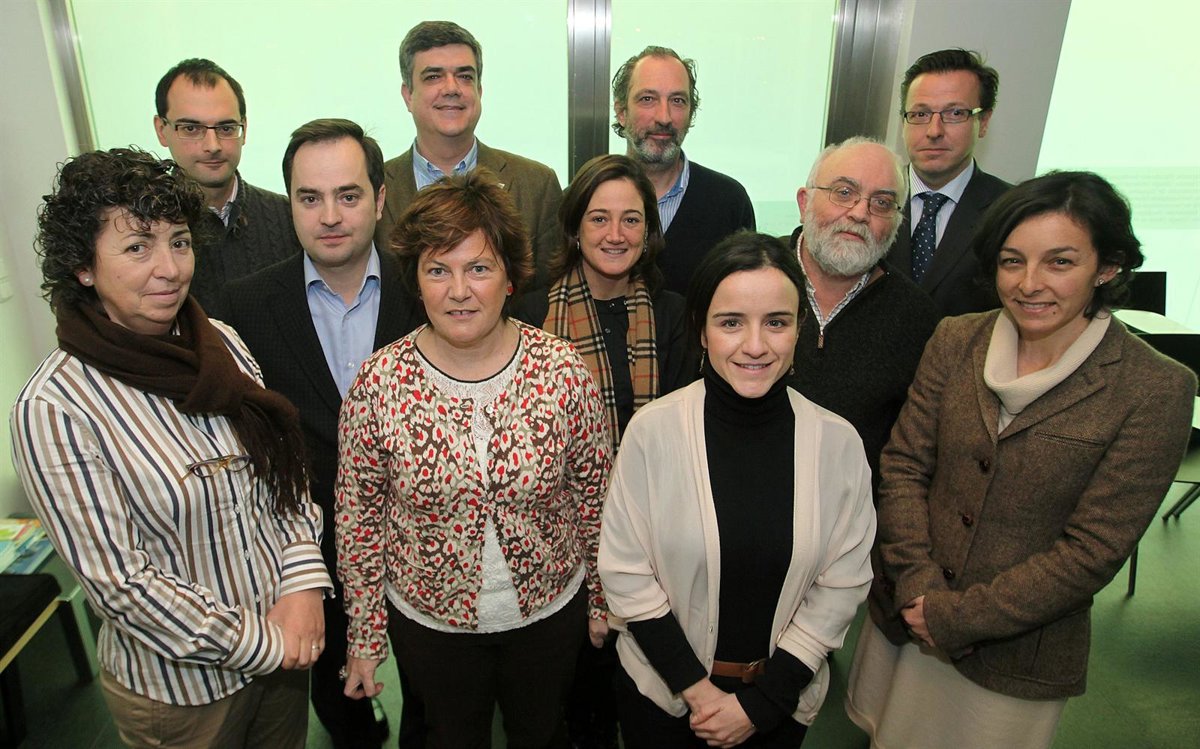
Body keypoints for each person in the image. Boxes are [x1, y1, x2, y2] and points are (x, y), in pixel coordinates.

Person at [847, 171, 1198, 749]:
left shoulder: (1154, 388)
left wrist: (955, 617)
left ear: (1108, 267)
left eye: (1060, 262)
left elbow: (1093, 549)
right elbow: (905, 465)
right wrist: (918, 587)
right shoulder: (956, 339)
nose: (1030, 284)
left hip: (1015, 652)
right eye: (1013, 262)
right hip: (905, 618)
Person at [10, 147, 332, 749]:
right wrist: (264, 644)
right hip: (183, 693)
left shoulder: (223, 344)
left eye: (179, 242)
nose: (170, 269)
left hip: (285, 655)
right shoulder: (55, 407)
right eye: (137, 247)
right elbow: (121, 582)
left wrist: (302, 582)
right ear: (83, 266)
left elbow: (282, 476)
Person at [336, 169, 612, 748]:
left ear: (510, 277)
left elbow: (596, 499)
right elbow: (358, 519)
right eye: (438, 270)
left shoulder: (562, 371)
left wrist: (601, 599)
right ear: (416, 281)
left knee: (543, 736)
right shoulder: (380, 382)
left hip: (548, 616)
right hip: (430, 625)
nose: (458, 290)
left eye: (479, 268)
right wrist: (364, 636)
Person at [599, 232, 876, 748]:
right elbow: (625, 572)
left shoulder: (838, 444)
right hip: (662, 699)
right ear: (702, 331)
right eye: (731, 323)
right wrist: (699, 693)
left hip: (779, 704)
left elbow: (842, 584)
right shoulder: (653, 432)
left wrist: (762, 704)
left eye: (776, 322)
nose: (755, 345)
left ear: (799, 328)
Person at [219, 119, 422, 749]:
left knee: (434, 692)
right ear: (290, 204)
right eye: (310, 198)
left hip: (428, 532)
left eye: (348, 195)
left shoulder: (430, 286)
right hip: (313, 541)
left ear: (380, 199)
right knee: (337, 689)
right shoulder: (244, 306)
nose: (330, 215)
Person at [514, 153, 693, 748]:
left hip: (651, 535)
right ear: (574, 228)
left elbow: (681, 434)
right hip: (560, 543)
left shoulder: (673, 315)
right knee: (576, 703)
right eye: (599, 218)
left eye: (631, 219)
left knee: (646, 698)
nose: (615, 234)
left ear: (649, 231)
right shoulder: (529, 313)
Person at [786, 136, 939, 487]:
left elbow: (911, 458)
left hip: (852, 511)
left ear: (897, 223)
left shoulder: (918, 319)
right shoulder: (749, 278)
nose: (859, 213)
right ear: (804, 202)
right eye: (844, 192)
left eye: (882, 203)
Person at [374, 21, 563, 286]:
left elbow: (547, 294)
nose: (452, 88)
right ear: (408, 95)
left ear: (479, 91)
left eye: (465, 76)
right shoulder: (373, 187)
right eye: (433, 77)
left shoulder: (537, 185)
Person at [153, 58, 300, 311]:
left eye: (226, 128)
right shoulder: (145, 229)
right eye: (191, 128)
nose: (213, 145)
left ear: (244, 128)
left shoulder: (290, 217)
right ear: (161, 130)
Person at [611, 46, 755, 295]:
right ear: (622, 112)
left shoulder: (729, 201)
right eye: (648, 99)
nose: (664, 117)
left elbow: (744, 298)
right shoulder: (586, 199)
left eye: (677, 101)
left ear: (691, 113)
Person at [885, 48, 1012, 316]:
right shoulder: (872, 200)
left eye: (955, 113)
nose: (934, 131)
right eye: (920, 114)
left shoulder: (1011, 212)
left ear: (983, 122)